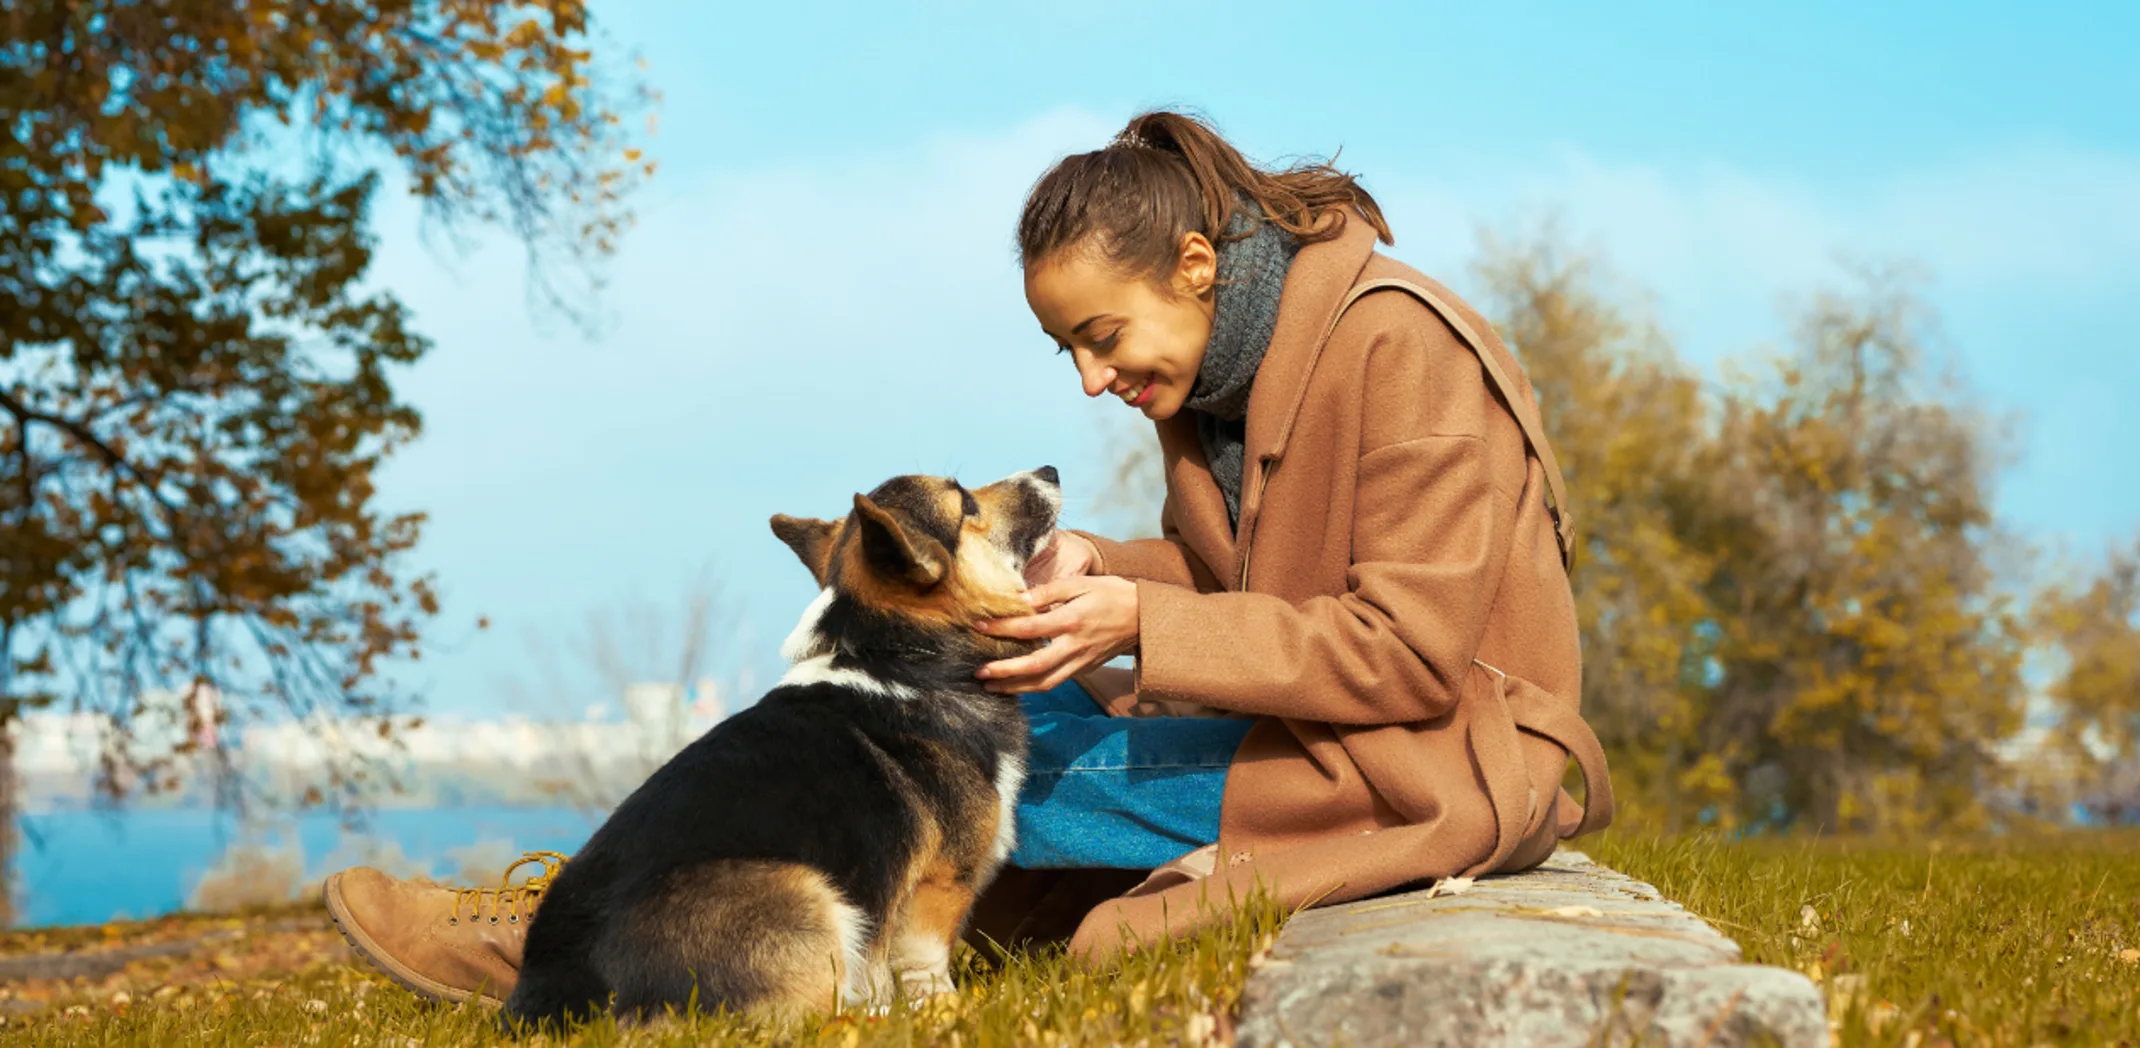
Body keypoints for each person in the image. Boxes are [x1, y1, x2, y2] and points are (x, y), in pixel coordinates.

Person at [322, 109, 1612, 1004]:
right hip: (1324, 733)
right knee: (951, 703)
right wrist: (1108, 566)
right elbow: (1249, 592)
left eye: (1104, 336)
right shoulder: (1224, 372)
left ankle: (585, 936)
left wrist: (1135, 628)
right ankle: (603, 919)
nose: (1096, 379)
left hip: (1444, 757)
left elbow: (1408, 652)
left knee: (944, 754)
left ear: (1201, 266)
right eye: (1072, 354)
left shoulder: (1405, 352)